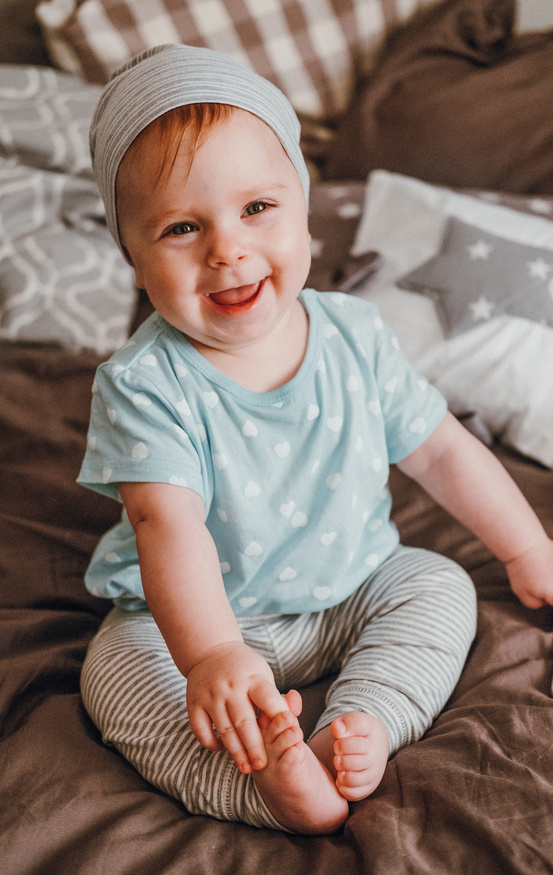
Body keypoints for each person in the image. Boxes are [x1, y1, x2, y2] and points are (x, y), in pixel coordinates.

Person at [78, 44, 553, 835]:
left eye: (255, 208)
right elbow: (169, 523)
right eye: (182, 227)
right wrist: (208, 658)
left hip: (345, 587)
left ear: (300, 201)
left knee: (438, 586)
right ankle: (255, 785)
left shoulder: (355, 334)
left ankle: (358, 724)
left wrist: (526, 548)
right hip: (190, 620)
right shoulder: (143, 383)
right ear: (132, 257)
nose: (225, 248)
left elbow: (438, 449)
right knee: (114, 676)